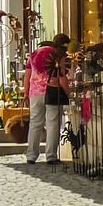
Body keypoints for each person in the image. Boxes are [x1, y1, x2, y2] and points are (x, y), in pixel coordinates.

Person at [26, 33, 72, 165]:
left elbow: (27, 75)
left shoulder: (34, 54)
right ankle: (51, 156)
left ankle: (31, 155)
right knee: (52, 123)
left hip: (35, 92)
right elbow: (62, 77)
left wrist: (26, 93)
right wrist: (68, 94)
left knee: (35, 123)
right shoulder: (58, 56)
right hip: (52, 91)